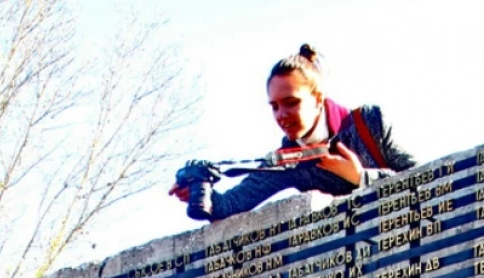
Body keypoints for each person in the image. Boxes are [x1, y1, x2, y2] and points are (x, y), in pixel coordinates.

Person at [170, 43, 413, 223]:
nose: (281, 115)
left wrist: (361, 178)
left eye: (291, 102)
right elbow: (232, 204)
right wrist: (197, 189)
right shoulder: (286, 160)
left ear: (318, 99)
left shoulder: (370, 123)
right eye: (274, 106)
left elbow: (431, 181)